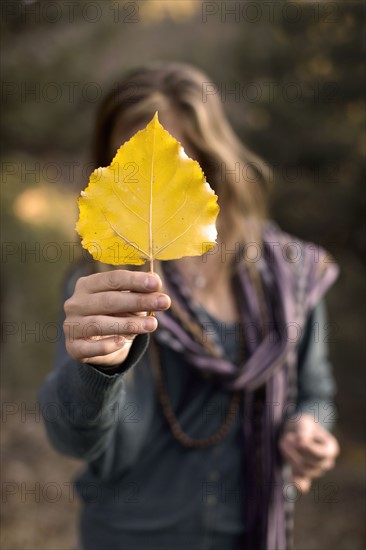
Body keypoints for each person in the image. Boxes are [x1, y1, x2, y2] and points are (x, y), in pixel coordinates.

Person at [39, 62, 340, 550]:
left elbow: (316, 393)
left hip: (248, 534)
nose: (155, 181)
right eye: (132, 168)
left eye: (177, 160)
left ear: (211, 158)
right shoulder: (102, 286)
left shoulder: (293, 274)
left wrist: (309, 428)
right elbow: (73, 438)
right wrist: (97, 371)